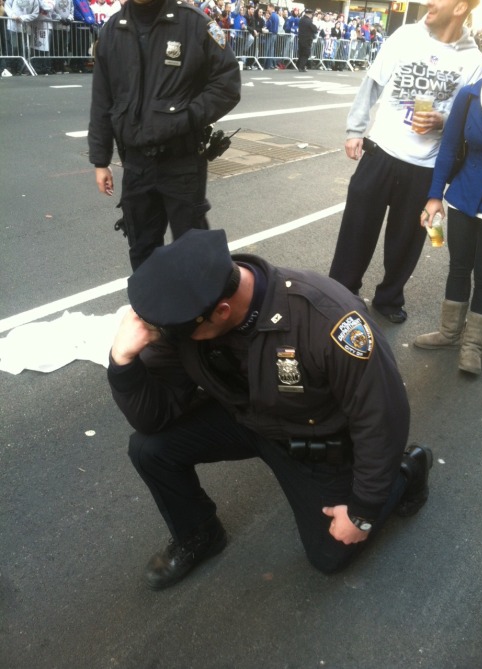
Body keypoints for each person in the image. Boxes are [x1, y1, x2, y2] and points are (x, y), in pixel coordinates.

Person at [108, 228, 433, 590]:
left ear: (222, 310)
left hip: (312, 435)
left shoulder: (326, 321)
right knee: (149, 449)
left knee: (331, 554)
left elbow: (382, 416)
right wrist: (122, 363)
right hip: (246, 417)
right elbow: (152, 418)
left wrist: (364, 511)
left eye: (176, 334)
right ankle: (199, 534)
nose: (165, 338)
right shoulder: (187, 318)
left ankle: (405, 473)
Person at [328, 0, 482, 324]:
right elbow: (372, 82)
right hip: (381, 152)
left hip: (425, 166)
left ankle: (389, 298)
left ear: (459, 7)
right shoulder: (405, 36)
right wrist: (355, 129)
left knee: (406, 241)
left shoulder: (473, 61)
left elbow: (473, 116)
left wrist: (443, 120)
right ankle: (340, 293)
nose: (429, 2)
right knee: (356, 229)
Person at [88, 0, 241, 270]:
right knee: (142, 248)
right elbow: (102, 100)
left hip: (182, 160)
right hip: (136, 163)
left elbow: (227, 85)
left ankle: (201, 311)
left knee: (194, 248)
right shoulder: (112, 30)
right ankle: (151, 311)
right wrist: (100, 160)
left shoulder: (194, 24)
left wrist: (186, 117)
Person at [414, 31, 482, 375]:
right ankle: (450, 333)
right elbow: (449, 149)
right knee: (459, 266)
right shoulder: (468, 97)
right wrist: (435, 196)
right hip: (464, 197)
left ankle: (473, 345)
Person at [4, 0, 39, 75]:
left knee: (24, 49)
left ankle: (22, 68)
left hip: (26, 28)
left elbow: (35, 13)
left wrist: (23, 18)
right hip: (12, 27)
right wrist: (13, 16)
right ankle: (11, 68)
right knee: (13, 48)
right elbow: (7, 6)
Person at [297, 8, 317, 72]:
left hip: (301, 39)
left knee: (301, 53)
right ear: (310, 14)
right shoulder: (309, 21)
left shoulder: (301, 20)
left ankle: (299, 65)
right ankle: (302, 67)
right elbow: (314, 29)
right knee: (306, 54)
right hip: (307, 39)